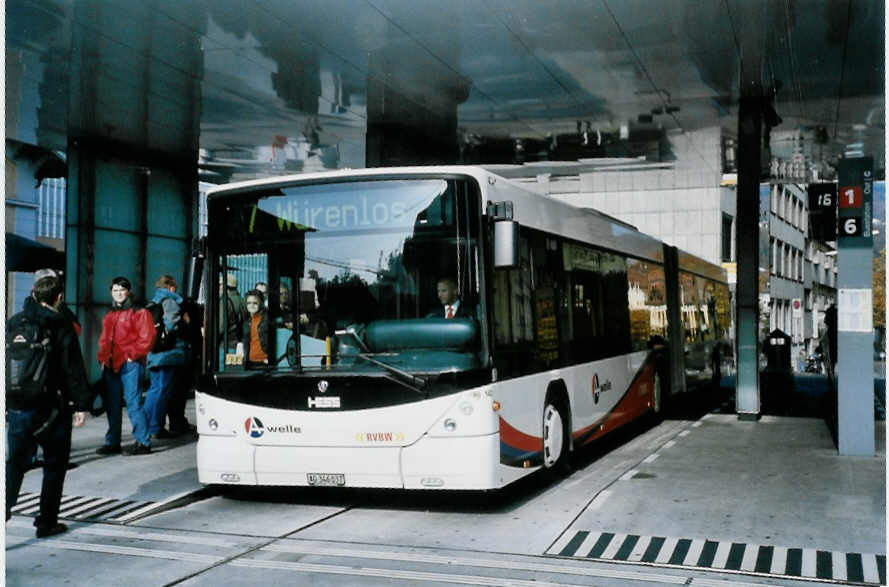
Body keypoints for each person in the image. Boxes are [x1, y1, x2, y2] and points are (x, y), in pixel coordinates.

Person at [6, 275, 91, 538]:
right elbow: (73, 369)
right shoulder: (61, 325)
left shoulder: (15, 321)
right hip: (51, 408)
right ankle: (46, 522)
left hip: (18, 406)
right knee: (54, 465)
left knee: (15, 463)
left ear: (33, 293)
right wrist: (81, 405)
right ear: (59, 297)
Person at [95, 276, 156, 456]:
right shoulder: (110, 314)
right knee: (112, 404)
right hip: (111, 364)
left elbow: (148, 337)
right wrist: (102, 359)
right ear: (111, 292)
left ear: (128, 291)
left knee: (133, 402)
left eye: (122, 290)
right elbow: (104, 339)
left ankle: (143, 441)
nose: (119, 294)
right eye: (115, 290)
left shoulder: (139, 312)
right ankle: (113, 441)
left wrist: (132, 356)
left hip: (130, 364)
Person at [145, 275, 188, 440]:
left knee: (155, 389)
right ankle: (155, 427)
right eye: (174, 287)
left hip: (154, 353)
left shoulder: (152, 302)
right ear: (170, 286)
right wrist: (173, 331)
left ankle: (150, 425)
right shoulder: (169, 300)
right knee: (162, 390)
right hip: (168, 353)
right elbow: (172, 321)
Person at [242, 289, 270, 366]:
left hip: (264, 362)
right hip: (250, 362)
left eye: (255, 303)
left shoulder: (267, 319)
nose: (251, 305)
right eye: (249, 303)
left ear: (261, 303)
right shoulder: (247, 322)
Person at [219, 273, 247, 349]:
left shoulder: (225, 301)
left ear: (225, 286)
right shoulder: (243, 301)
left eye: (220, 285)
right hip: (240, 345)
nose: (219, 287)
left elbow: (220, 327)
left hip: (225, 345)